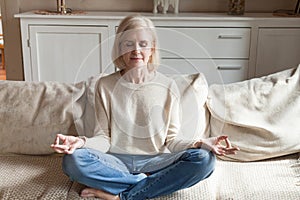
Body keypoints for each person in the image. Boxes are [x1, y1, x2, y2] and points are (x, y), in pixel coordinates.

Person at [51, 14, 239, 200]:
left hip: (156, 161)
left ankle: (122, 195)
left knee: (204, 160)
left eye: (143, 44)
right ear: (119, 49)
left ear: (152, 49)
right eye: (128, 44)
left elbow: (172, 140)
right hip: (116, 161)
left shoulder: (168, 86)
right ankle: (144, 183)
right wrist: (81, 142)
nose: (136, 50)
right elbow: (103, 139)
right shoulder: (105, 85)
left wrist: (200, 143)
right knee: (73, 160)